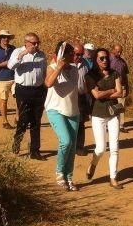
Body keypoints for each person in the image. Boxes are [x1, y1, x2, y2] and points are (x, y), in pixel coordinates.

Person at [85, 48, 124, 190]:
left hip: (113, 113)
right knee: (101, 148)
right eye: (101, 58)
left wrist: (106, 93)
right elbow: (96, 95)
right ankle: (94, 163)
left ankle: (113, 177)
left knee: (114, 147)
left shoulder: (115, 73)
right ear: (96, 59)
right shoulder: (90, 76)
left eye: (106, 57)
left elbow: (120, 93)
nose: (105, 60)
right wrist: (111, 91)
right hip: (98, 114)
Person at [44, 41, 80, 191]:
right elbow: (48, 83)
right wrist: (58, 67)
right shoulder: (51, 67)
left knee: (72, 146)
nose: (74, 56)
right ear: (61, 56)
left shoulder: (75, 69)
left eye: (74, 54)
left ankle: (69, 178)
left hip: (73, 111)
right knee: (65, 141)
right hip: (55, 110)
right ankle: (60, 174)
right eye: (70, 54)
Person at [8, 32, 47, 159]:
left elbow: (44, 72)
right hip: (23, 90)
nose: (36, 45)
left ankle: (35, 151)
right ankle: (17, 142)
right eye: (33, 43)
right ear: (26, 43)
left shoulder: (41, 55)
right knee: (23, 119)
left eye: (37, 43)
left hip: (38, 90)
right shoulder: (18, 52)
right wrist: (22, 54)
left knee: (36, 121)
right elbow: (10, 66)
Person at [72, 43, 91, 154]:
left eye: (80, 54)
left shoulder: (85, 64)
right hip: (69, 97)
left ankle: (79, 146)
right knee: (70, 122)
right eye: (76, 54)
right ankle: (70, 145)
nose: (78, 57)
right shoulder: (66, 64)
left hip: (81, 96)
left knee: (81, 122)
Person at [109, 45, 130, 132]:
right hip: (112, 87)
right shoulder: (108, 60)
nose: (119, 53)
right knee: (112, 105)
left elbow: (125, 74)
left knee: (121, 105)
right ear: (113, 50)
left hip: (122, 86)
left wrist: (127, 86)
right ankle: (110, 124)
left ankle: (121, 125)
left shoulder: (122, 61)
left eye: (120, 51)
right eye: (117, 51)